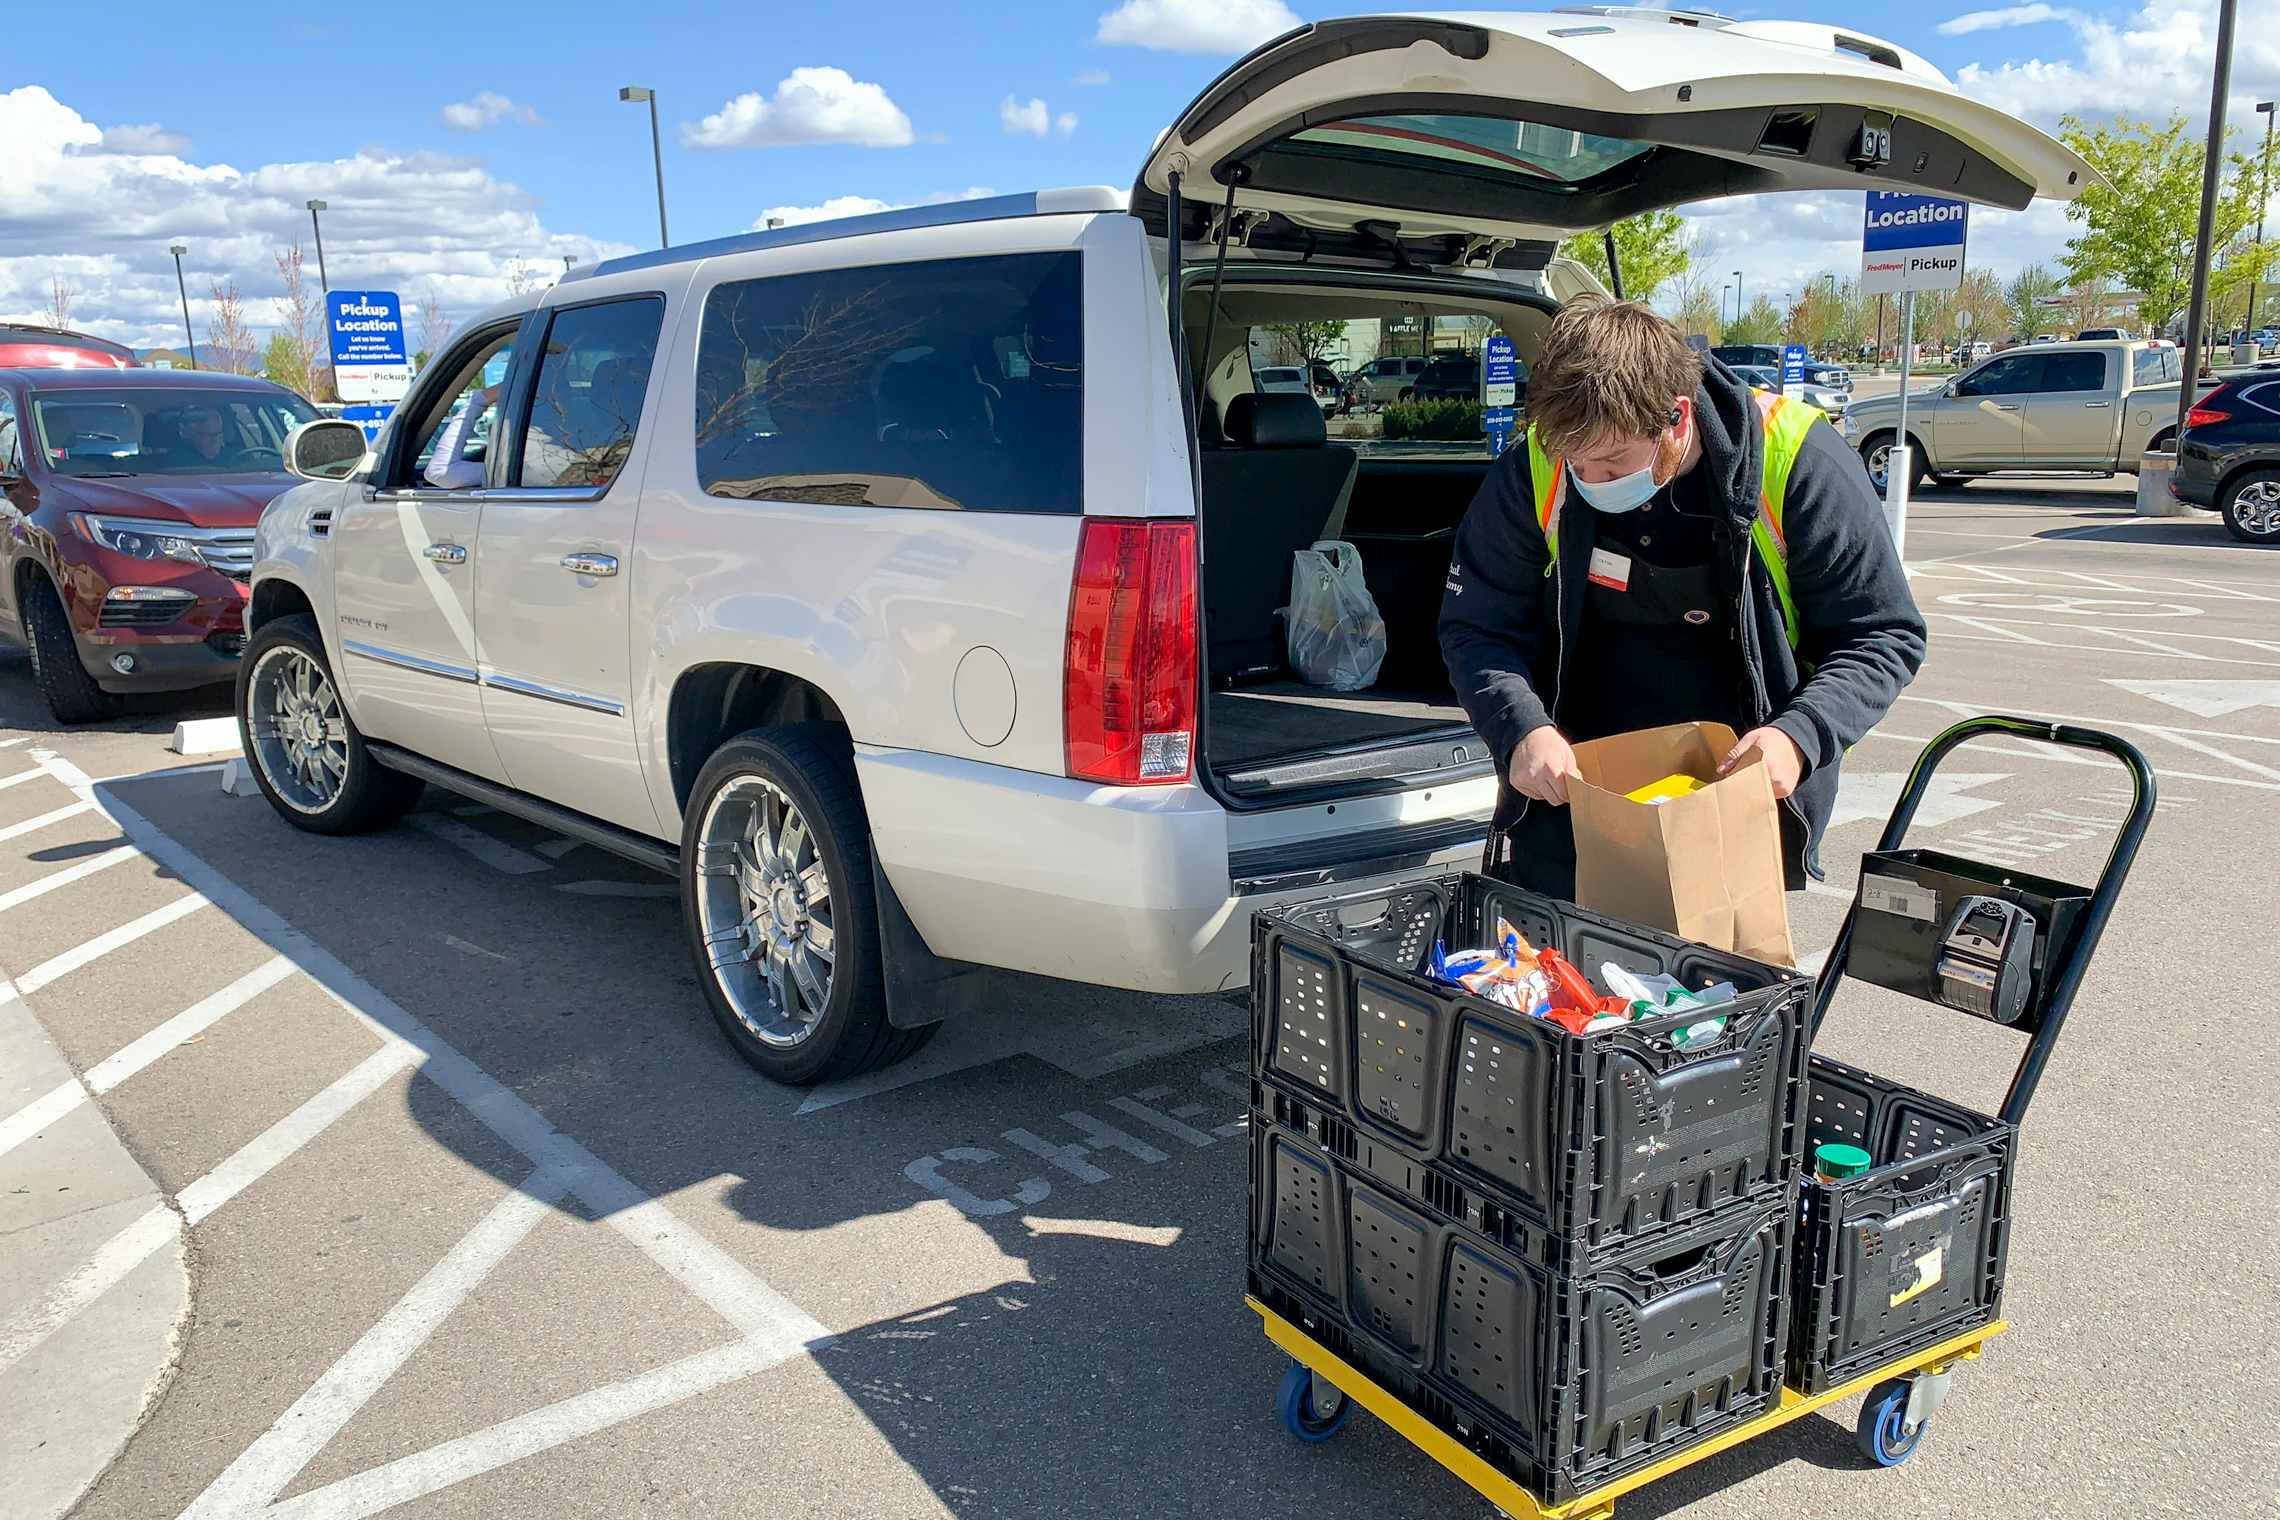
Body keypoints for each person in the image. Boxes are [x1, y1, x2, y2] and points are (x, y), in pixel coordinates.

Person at [1439, 297, 1925, 899]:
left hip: (1732, 797)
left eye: (1614, 465)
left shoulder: (1799, 463)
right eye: (1577, 466)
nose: (1590, 484)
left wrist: (1798, 736)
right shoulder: (1540, 467)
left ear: (1678, 417)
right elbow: (1477, 626)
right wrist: (1520, 729)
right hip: (1572, 795)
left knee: (1704, 984)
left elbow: (1881, 634)